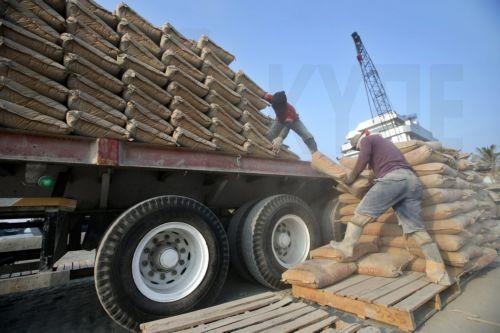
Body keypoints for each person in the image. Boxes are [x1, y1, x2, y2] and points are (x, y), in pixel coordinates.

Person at [331, 130, 453, 285]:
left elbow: (362, 161)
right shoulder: (385, 146)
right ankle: (439, 272)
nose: (359, 150)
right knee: (415, 229)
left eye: (357, 148)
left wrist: (351, 177)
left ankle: (347, 247)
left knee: (362, 212)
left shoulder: (369, 140)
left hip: (395, 179)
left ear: (358, 141)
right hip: (412, 182)